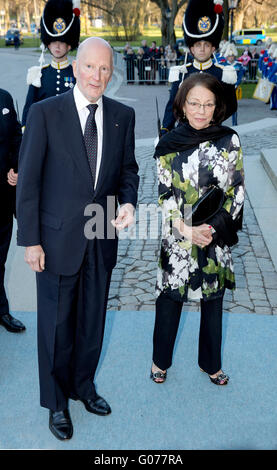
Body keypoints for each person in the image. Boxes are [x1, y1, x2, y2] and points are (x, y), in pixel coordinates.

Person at [16, 37, 139, 441]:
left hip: (101, 230)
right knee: (55, 325)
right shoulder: (44, 113)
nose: (97, 76)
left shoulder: (123, 115)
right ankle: (55, 402)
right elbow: (29, 182)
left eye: (104, 69)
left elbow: (128, 172)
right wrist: (30, 240)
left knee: (92, 319)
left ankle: (83, 386)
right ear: (75, 68)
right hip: (54, 239)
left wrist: (129, 203)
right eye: (90, 67)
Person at [151, 72, 244, 386]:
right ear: (182, 104)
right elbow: (163, 193)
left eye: (208, 104)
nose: (201, 110)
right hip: (177, 235)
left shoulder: (229, 139)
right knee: (169, 299)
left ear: (217, 106)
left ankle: (211, 364)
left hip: (214, 236)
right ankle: (159, 360)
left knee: (213, 300)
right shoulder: (168, 143)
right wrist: (184, 229)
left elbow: (237, 194)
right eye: (194, 103)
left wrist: (211, 230)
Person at [160, 0, 237, 135]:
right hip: (184, 133)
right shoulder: (182, 73)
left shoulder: (222, 73)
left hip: (212, 132)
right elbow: (172, 105)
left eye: (206, 45)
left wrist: (212, 120)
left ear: (213, 48)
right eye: (198, 45)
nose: (202, 49)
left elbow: (231, 105)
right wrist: (165, 129)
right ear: (191, 49)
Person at [22, 0, 80, 128]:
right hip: (44, 132)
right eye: (53, 41)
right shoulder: (38, 74)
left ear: (69, 45)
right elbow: (29, 108)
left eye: (62, 41)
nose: (57, 46)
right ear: (48, 44)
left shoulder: (77, 74)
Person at [0, 88, 26, 333]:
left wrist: (16, 167)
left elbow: (16, 138)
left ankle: (1, 310)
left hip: (3, 196)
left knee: (0, 259)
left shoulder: (5, 97)